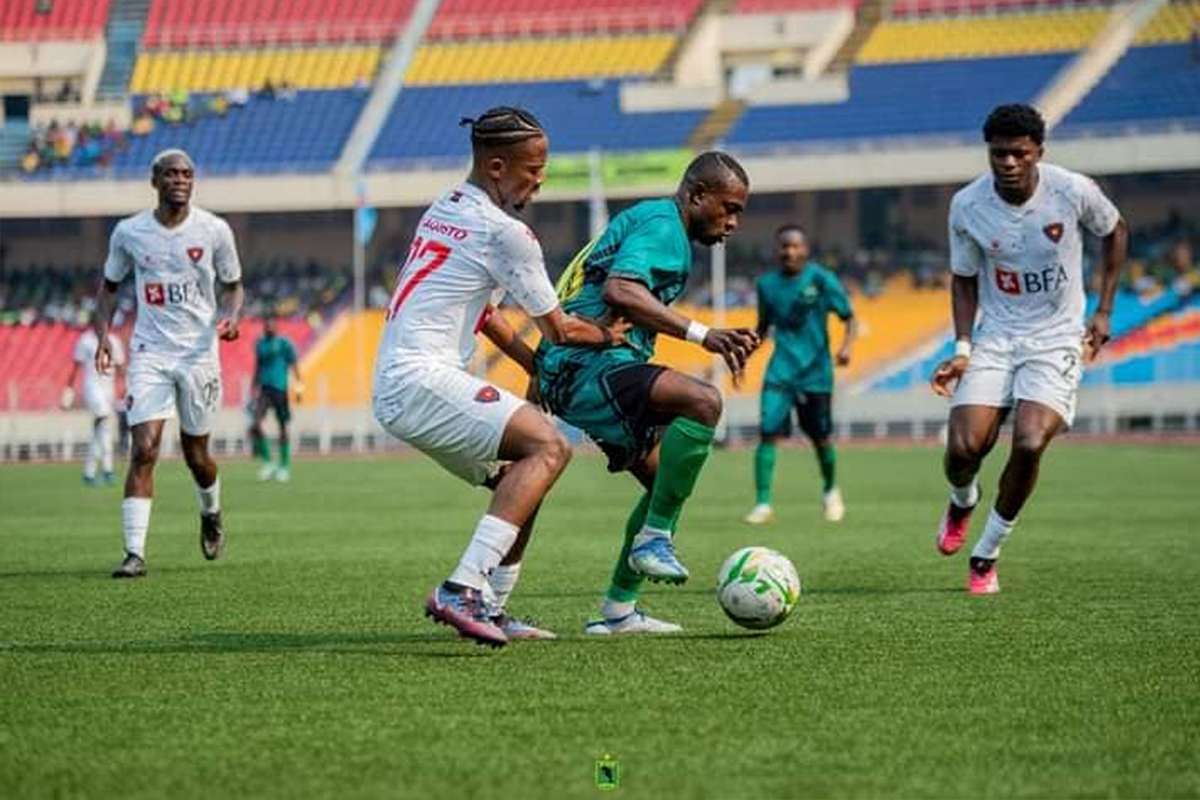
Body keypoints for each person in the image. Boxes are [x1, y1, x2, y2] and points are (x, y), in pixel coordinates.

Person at [372, 106, 625, 648]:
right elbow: (559, 329)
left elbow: (487, 316)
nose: (540, 180)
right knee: (550, 448)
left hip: (399, 379)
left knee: (523, 474)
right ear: (495, 166)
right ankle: (461, 587)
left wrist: (534, 368)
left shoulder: (447, 206)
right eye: (532, 168)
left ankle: (490, 605)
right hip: (420, 377)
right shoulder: (506, 233)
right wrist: (612, 335)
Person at [536, 151, 760, 635]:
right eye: (730, 208)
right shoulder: (665, 228)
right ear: (697, 196)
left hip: (579, 365)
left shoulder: (655, 220)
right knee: (703, 401)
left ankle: (619, 610)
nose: (734, 222)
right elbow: (619, 291)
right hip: (590, 364)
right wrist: (707, 335)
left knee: (667, 485)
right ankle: (653, 539)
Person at [930, 104, 1127, 594]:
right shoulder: (968, 206)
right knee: (963, 449)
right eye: (999, 154)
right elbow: (963, 279)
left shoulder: (1072, 191)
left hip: (1057, 337)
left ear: (1039, 151)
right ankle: (962, 500)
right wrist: (962, 346)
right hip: (996, 335)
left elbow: (1116, 230)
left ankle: (986, 554)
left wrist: (1103, 311)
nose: (1009, 163)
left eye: (1019, 153)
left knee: (1031, 439)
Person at [93, 148, 245, 579]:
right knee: (143, 449)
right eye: (171, 173)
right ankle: (134, 553)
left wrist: (232, 316)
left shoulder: (214, 230)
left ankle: (211, 512)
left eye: (187, 174)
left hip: (199, 355)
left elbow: (233, 286)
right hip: (150, 352)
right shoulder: (129, 233)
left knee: (197, 455)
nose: (180, 179)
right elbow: (108, 288)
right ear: (155, 180)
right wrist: (104, 334)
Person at [744, 225, 856, 525]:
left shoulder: (821, 279)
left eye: (795, 246)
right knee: (768, 433)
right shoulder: (766, 284)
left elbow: (849, 317)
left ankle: (831, 490)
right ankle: (763, 504)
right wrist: (743, 354)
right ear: (777, 249)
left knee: (820, 438)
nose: (790, 251)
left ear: (806, 249)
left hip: (816, 373)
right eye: (784, 246)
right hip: (780, 372)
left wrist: (846, 348)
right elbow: (763, 328)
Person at [63, 318, 126, 486]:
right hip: (92, 387)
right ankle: (103, 470)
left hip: (108, 389)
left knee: (104, 430)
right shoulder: (86, 340)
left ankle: (96, 472)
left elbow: (121, 368)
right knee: (104, 418)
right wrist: (68, 392)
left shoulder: (114, 341)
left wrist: (128, 388)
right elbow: (75, 367)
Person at [250, 313, 302, 482]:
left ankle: (284, 466)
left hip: (280, 388)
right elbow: (257, 366)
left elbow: (294, 365)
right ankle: (268, 462)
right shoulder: (260, 344)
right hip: (264, 389)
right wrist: (253, 386)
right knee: (256, 423)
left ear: (276, 327)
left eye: (272, 325)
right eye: (266, 325)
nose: (269, 328)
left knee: (282, 426)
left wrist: (299, 387)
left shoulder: (284, 344)